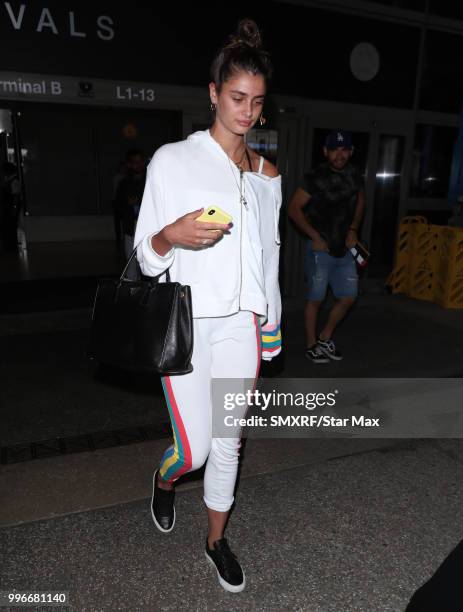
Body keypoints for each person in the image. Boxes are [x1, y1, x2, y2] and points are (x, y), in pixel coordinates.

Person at [133, 19, 282, 593]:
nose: (246, 112)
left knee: (229, 441)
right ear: (214, 93)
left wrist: (270, 325)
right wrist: (171, 235)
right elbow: (145, 256)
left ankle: (216, 540)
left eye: (257, 102)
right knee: (192, 449)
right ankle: (165, 479)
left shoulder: (267, 175)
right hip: (189, 326)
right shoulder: (173, 161)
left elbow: (268, 256)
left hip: (242, 326)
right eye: (237, 98)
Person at [288, 130, 365, 363]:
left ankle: (325, 336)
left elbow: (361, 201)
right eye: (334, 149)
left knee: (349, 297)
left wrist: (353, 230)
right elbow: (293, 209)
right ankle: (312, 345)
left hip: (346, 250)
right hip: (321, 250)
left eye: (344, 150)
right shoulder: (314, 178)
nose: (339, 154)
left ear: (350, 152)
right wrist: (314, 236)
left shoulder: (355, 175)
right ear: (325, 151)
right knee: (316, 299)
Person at [114, 149, 146, 276]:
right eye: (134, 162)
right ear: (129, 164)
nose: (137, 165)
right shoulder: (124, 183)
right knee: (131, 266)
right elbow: (118, 205)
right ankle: (133, 293)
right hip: (130, 229)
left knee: (150, 264)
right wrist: (130, 207)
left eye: (139, 162)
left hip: (149, 230)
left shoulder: (150, 179)